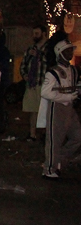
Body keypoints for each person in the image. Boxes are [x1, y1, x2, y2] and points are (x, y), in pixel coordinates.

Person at [37, 39, 80, 179]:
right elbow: (45, 92)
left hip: (70, 108)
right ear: (60, 53)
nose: (70, 53)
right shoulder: (53, 72)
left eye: (71, 50)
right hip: (57, 107)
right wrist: (66, 97)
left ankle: (59, 159)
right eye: (67, 50)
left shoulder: (73, 70)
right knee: (54, 140)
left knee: (78, 137)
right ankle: (49, 168)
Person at [20, 25, 48, 141]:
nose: (34, 36)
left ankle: (45, 134)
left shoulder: (48, 49)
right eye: (33, 34)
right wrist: (25, 75)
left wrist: (39, 56)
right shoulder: (30, 49)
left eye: (37, 33)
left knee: (44, 110)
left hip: (44, 83)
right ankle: (32, 134)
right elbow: (23, 65)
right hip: (32, 84)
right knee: (33, 110)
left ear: (43, 34)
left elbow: (49, 64)